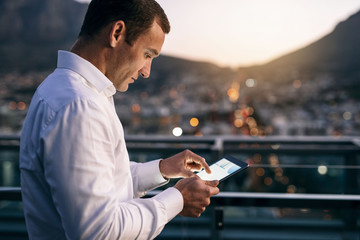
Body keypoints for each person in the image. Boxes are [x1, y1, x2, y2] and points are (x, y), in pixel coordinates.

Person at [19, 0, 219, 239]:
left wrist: (163, 169)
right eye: (147, 54)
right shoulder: (80, 106)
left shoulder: (64, 89)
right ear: (117, 33)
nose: (147, 71)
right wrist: (178, 199)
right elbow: (98, 230)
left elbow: (104, 180)